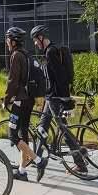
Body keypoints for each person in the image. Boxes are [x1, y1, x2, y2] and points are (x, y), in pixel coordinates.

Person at [30, 25, 87, 173]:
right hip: (51, 98)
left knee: (63, 129)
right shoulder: (53, 50)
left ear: (41, 38)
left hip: (56, 98)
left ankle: (80, 162)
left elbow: (60, 77)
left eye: (36, 40)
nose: (35, 44)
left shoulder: (50, 52)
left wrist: (64, 98)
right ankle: (37, 159)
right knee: (42, 127)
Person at [3, 27, 48, 182]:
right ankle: (22, 171)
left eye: (8, 39)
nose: (7, 41)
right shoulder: (27, 54)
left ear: (13, 41)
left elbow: (12, 81)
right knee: (23, 134)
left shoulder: (16, 55)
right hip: (29, 100)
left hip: (20, 101)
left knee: (13, 135)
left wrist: (6, 99)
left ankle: (38, 161)